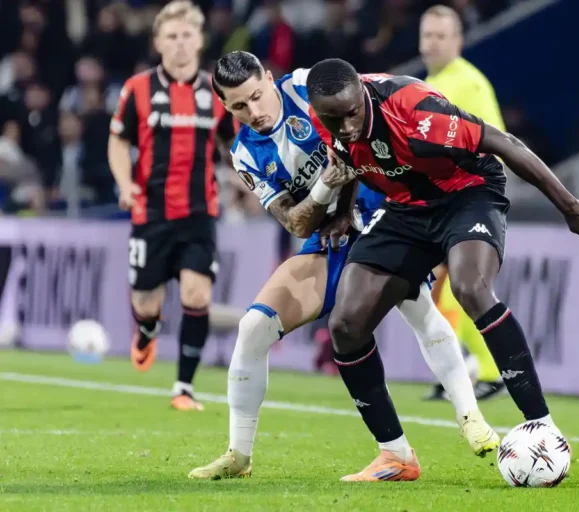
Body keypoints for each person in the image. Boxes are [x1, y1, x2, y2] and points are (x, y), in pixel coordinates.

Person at [187, 51, 499, 481]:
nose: (254, 112)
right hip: (329, 233)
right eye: (239, 106)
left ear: (270, 79)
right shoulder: (245, 154)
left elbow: (363, 123)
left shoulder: (304, 88)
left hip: (384, 210)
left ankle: (471, 418)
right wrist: (323, 191)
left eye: (257, 96)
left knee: (418, 306)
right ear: (224, 105)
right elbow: (295, 222)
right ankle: (240, 455)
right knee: (253, 328)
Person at [306, 58, 579, 481]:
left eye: (351, 114)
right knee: (345, 324)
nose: (344, 126)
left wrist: (569, 206)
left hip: (467, 194)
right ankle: (396, 456)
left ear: (363, 93)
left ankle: (542, 425)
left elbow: (506, 143)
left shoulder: (417, 111)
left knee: (470, 287)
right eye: (333, 118)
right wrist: (343, 211)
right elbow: (348, 157)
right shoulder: (325, 114)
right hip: (405, 208)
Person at [108, 1, 237, 411]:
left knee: (197, 296)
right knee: (146, 302)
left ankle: (184, 388)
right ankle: (147, 329)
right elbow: (118, 140)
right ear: (158, 42)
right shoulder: (138, 89)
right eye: (172, 36)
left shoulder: (217, 93)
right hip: (151, 212)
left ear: (199, 41)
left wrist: (248, 178)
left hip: (201, 212)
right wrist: (125, 184)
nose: (180, 43)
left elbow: (233, 143)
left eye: (187, 35)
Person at [420, 4, 506, 401]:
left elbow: (496, 141)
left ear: (458, 41)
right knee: (448, 290)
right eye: (427, 35)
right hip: (437, 203)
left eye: (441, 36)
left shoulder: (469, 83)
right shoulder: (427, 83)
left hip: (467, 200)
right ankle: (466, 373)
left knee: (459, 287)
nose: (433, 43)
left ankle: (485, 372)